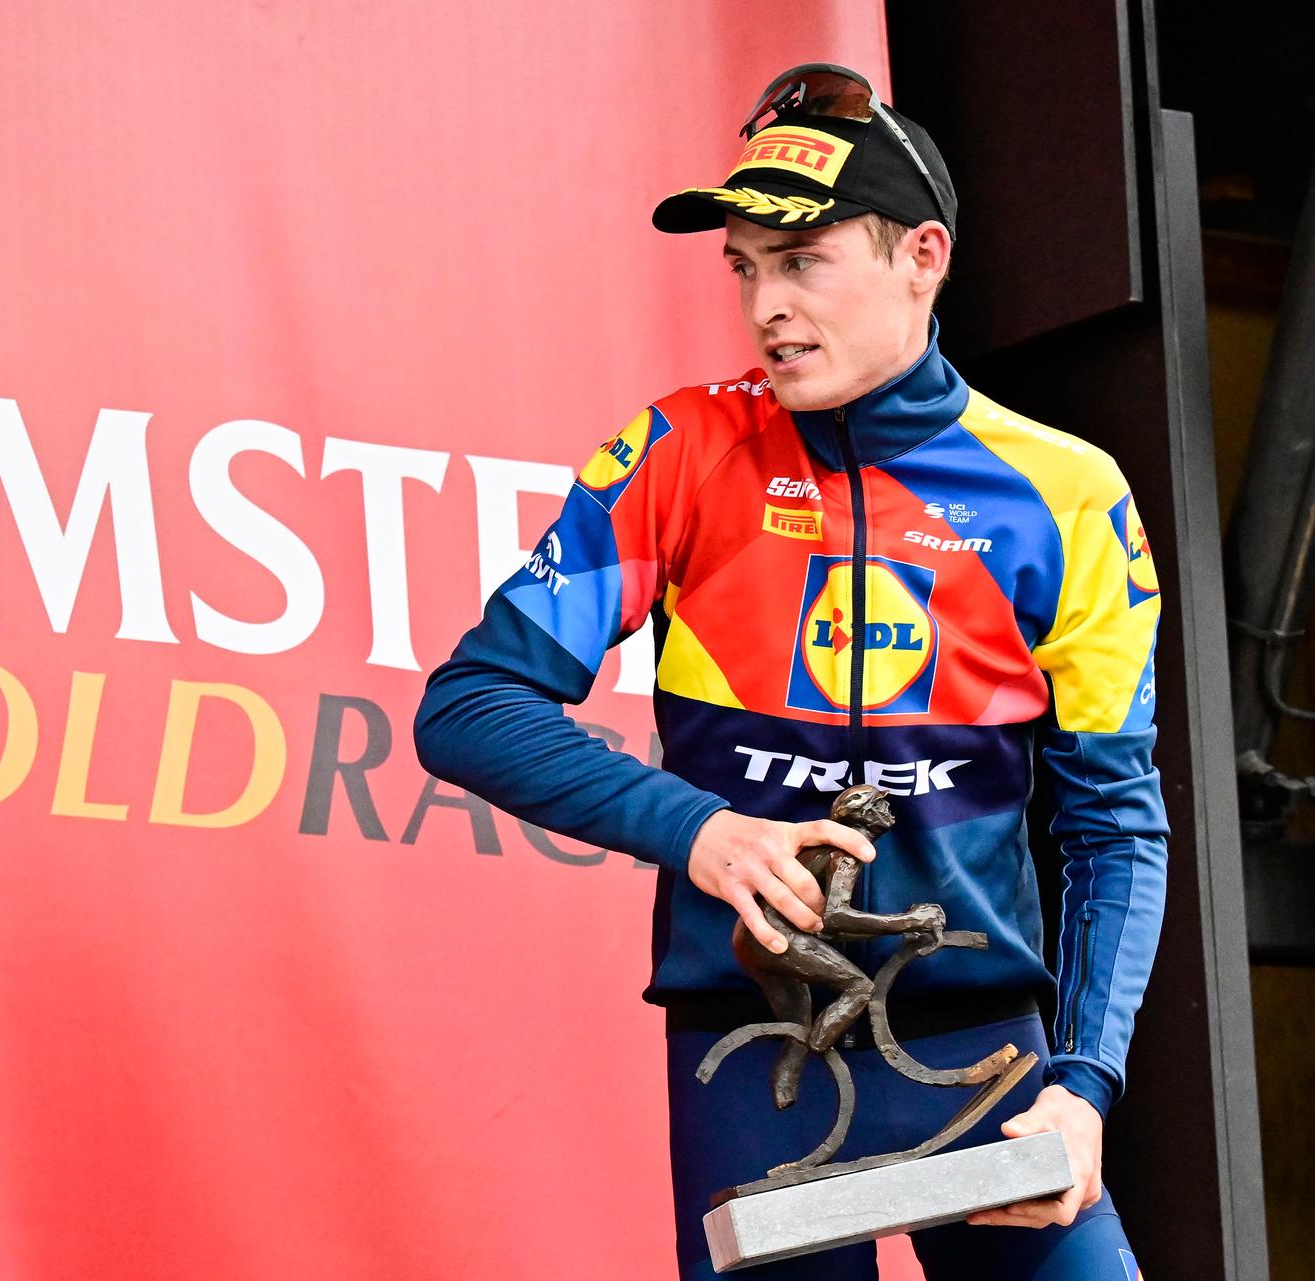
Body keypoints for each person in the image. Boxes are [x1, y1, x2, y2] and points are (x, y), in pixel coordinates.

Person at [414, 64, 1165, 1280]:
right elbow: (468, 707)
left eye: (804, 260)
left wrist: (1083, 1087)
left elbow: (1113, 824)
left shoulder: (1066, 492)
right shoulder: (681, 449)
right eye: (745, 268)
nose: (767, 306)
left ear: (923, 257)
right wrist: (703, 832)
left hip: (986, 1059)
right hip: (750, 1061)